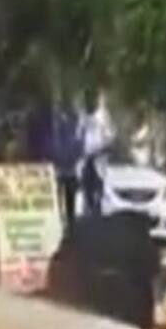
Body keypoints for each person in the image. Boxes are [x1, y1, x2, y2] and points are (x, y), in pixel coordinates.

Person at [78, 91, 115, 218]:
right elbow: (78, 136)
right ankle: (88, 212)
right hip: (85, 159)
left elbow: (110, 139)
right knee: (85, 189)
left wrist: (99, 151)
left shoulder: (104, 116)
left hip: (98, 159)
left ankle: (97, 213)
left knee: (99, 188)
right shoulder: (82, 116)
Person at [52, 99, 83, 229]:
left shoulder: (71, 127)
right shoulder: (60, 127)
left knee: (68, 199)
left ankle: (69, 222)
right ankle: (64, 221)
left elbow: (78, 148)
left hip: (68, 169)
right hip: (63, 169)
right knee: (62, 198)